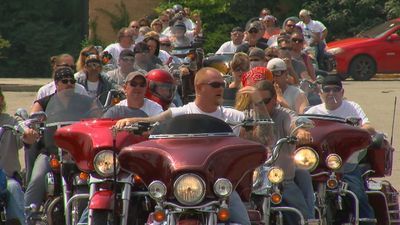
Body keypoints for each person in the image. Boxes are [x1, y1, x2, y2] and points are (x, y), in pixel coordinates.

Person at [115, 67, 274, 225]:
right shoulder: (181, 113)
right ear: (199, 87)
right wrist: (132, 121)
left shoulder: (232, 116)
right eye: (215, 85)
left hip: (220, 188)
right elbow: (154, 121)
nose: (220, 89)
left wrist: (258, 101)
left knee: (243, 221)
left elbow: (265, 136)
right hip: (179, 185)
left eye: (222, 85)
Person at [234, 80, 315, 224]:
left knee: (302, 216)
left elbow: (292, 123)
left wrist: (300, 132)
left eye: (265, 101)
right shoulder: (246, 117)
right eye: (257, 101)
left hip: (281, 181)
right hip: (252, 181)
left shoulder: (284, 114)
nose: (261, 106)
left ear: (275, 99)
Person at [26, 66, 97, 223]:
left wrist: (95, 118)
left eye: (72, 81)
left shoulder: (85, 101)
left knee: (95, 179)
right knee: (37, 178)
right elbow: (32, 117)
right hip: (51, 151)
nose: (69, 84)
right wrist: (34, 122)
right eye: (65, 81)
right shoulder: (45, 101)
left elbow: (98, 114)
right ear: (56, 83)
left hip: (78, 152)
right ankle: (26, 216)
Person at [305, 75, 376, 224]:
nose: (331, 93)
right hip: (318, 164)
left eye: (336, 90)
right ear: (320, 93)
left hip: (346, 162)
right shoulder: (313, 111)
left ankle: (366, 220)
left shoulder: (352, 107)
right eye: (327, 90)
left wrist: (360, 128)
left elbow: (368, 127)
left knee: (357, 193)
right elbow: (299, 129)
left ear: (342, 93)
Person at [0, 87, 38, 225]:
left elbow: (23, 130)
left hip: (7, 178)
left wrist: (29, 135)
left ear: (1, 100)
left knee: (14, 188)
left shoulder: (10, 122)